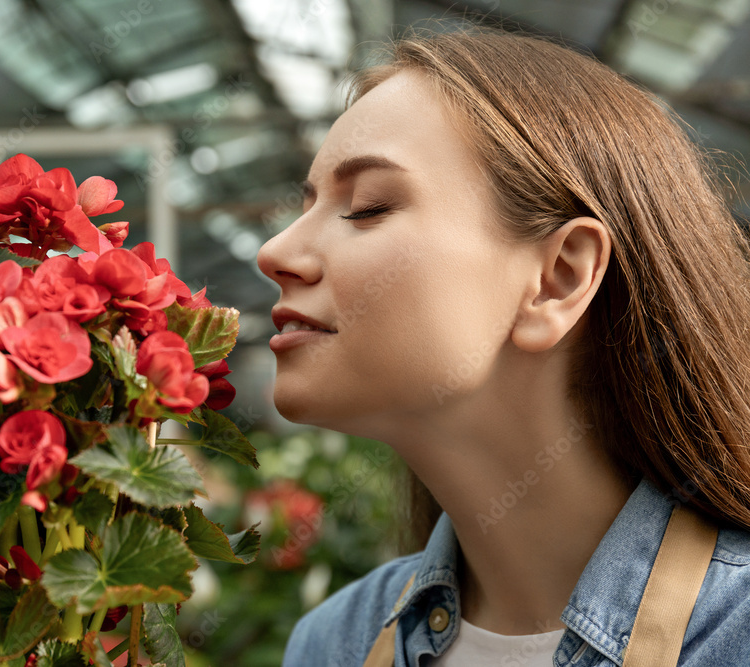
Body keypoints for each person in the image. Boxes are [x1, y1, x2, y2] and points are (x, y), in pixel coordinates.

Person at [255, 22, 750, 667]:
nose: (275, 253)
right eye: (306, 204)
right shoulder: (334, 643)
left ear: (558, 278)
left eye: (368, 207)